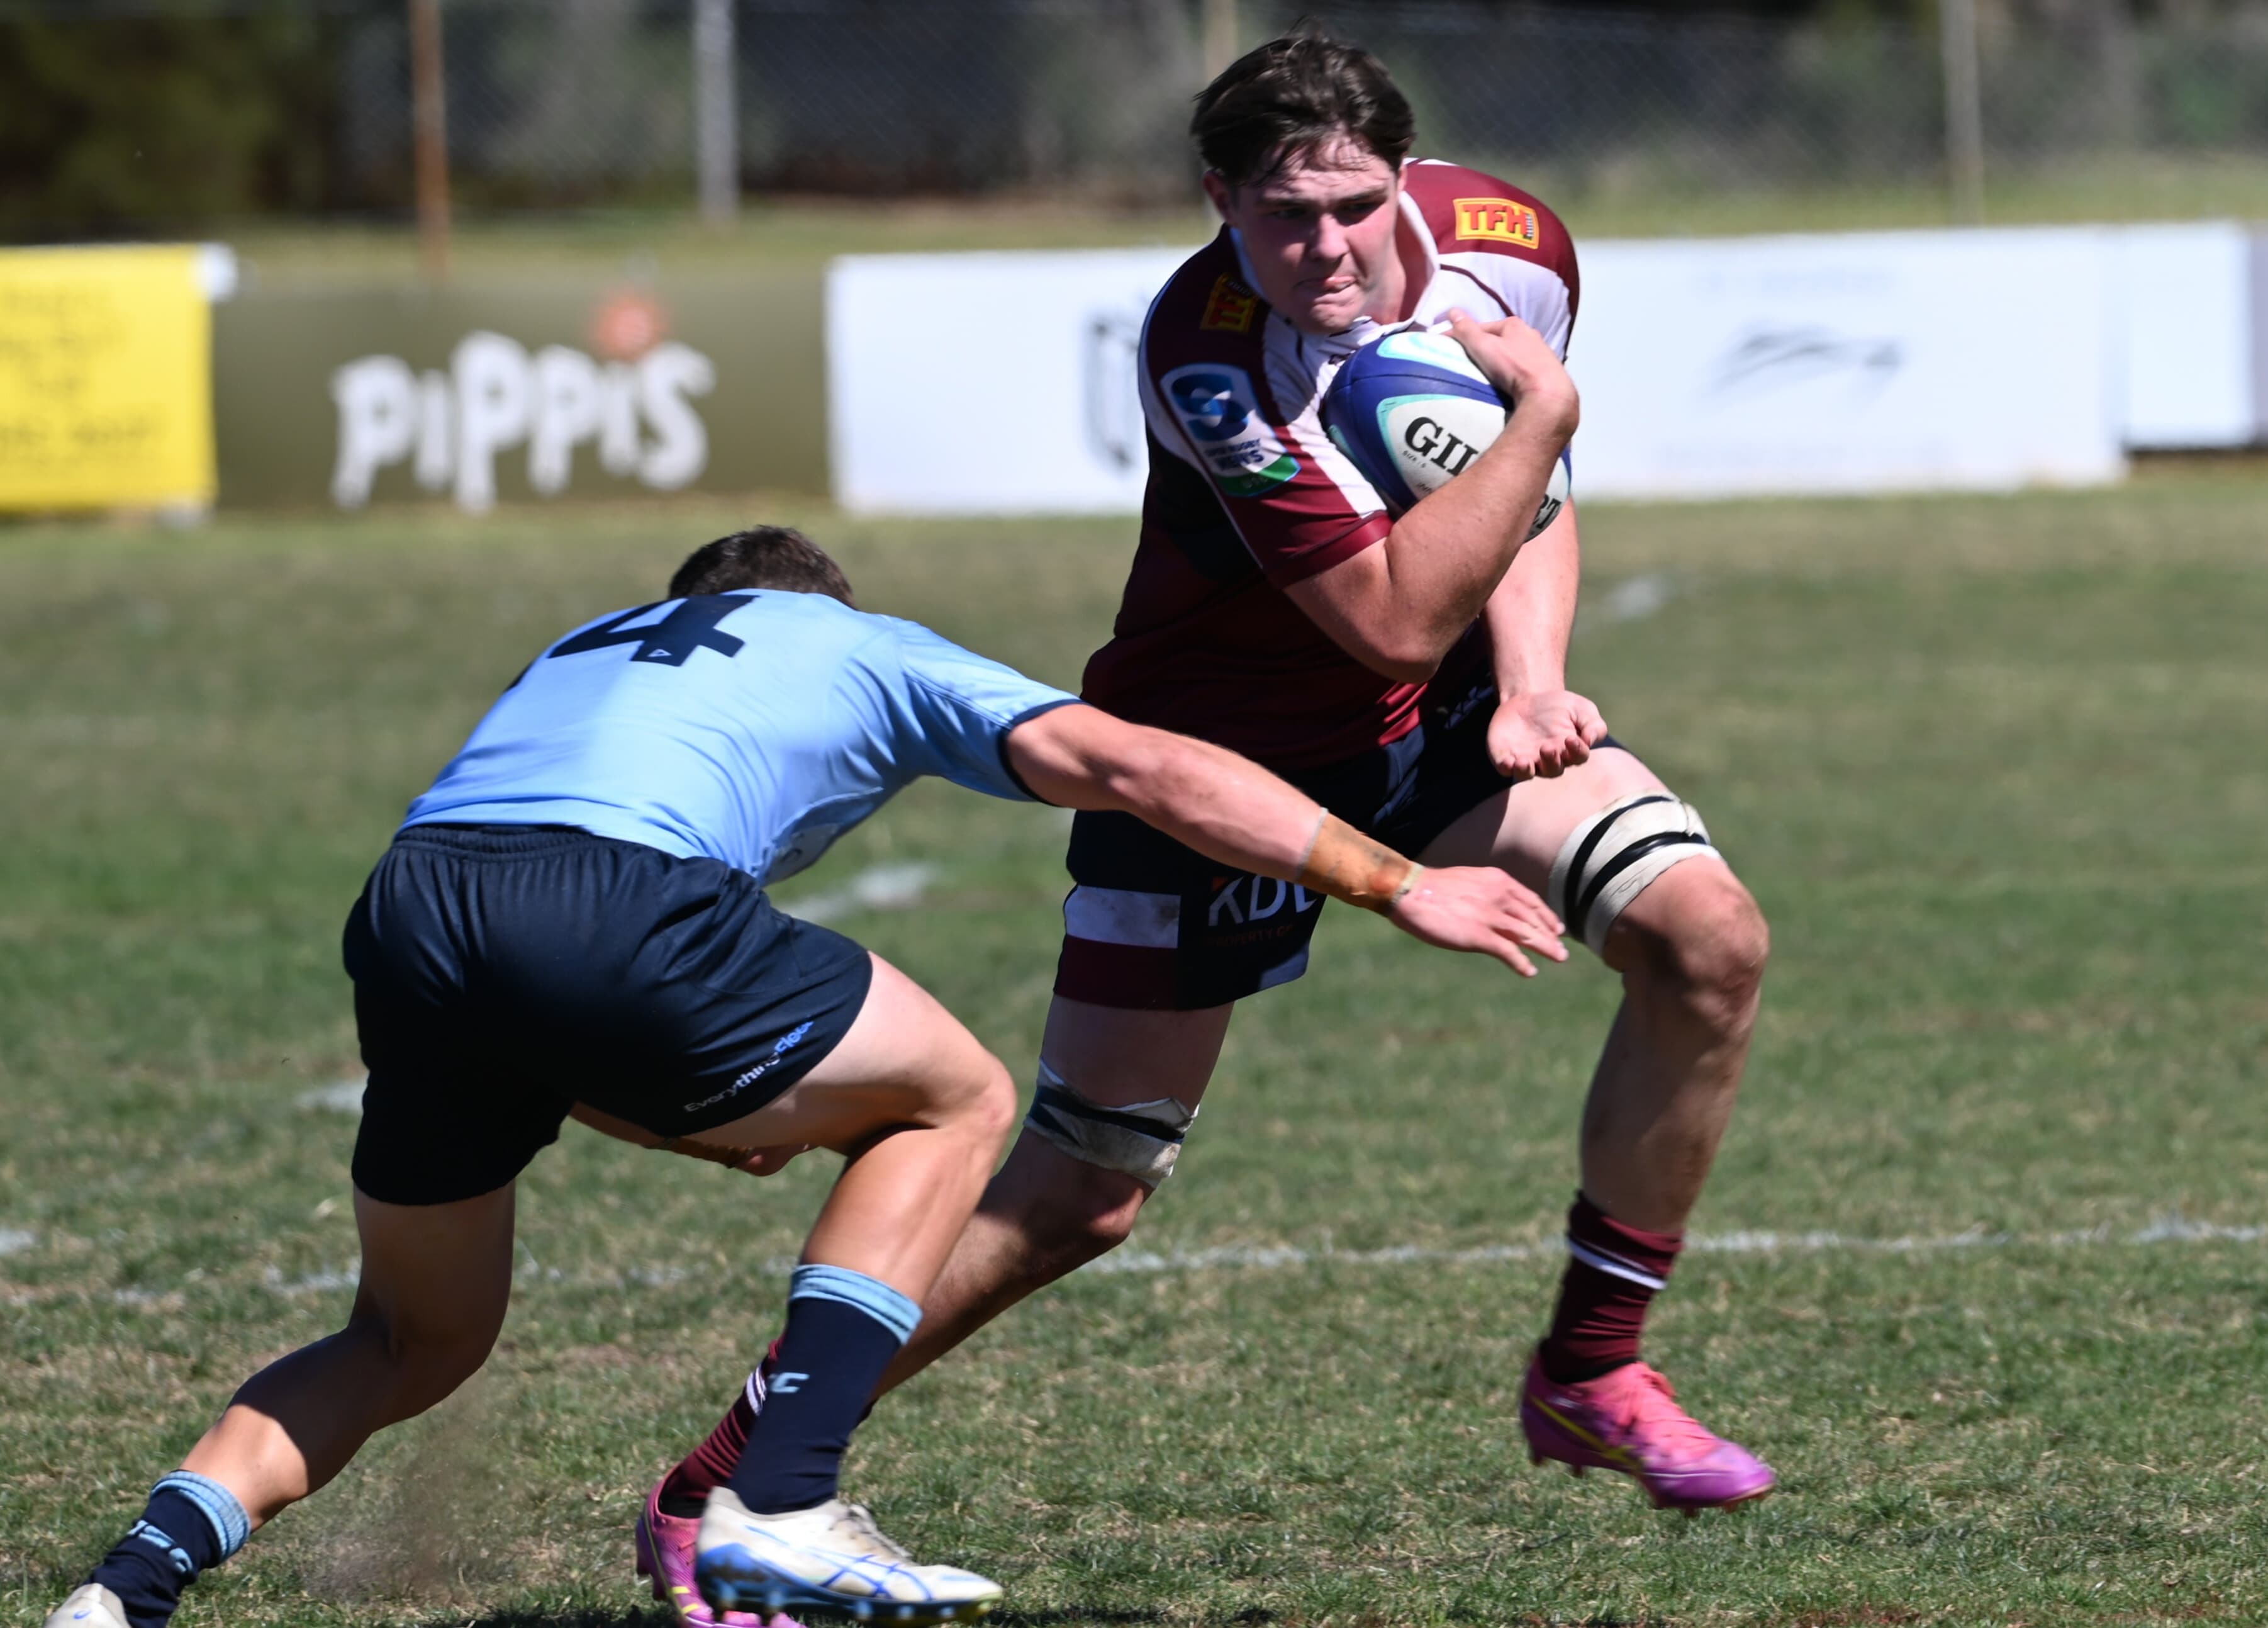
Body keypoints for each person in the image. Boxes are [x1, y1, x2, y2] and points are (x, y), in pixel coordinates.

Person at [642, 35, 1773, 1618]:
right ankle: (721, 1481)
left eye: (1358, 207)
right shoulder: (1210, 350)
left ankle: (1593, 1367)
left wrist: (1533, 680)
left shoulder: (1515, 247)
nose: (1327, 248)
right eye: (1284, 215)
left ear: (1408, 178)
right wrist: (1541, 420)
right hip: (1212, 763)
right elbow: (1388, 613)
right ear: (1219, 198)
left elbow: (1534, 494)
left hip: (1441, 732)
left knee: (1708, 941)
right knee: (1084, 1190)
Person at [42, 525, 1568, 1628]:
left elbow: (522, 958)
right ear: (813, 607)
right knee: (960, 1096)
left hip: (418, 903)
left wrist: (678, 1098)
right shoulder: (862, 643)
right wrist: (1389, 880)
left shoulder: (582, 645)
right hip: (617, 902)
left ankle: (124, 1592)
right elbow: (1142, 767)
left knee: (406, 1333)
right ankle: (782, 1497)